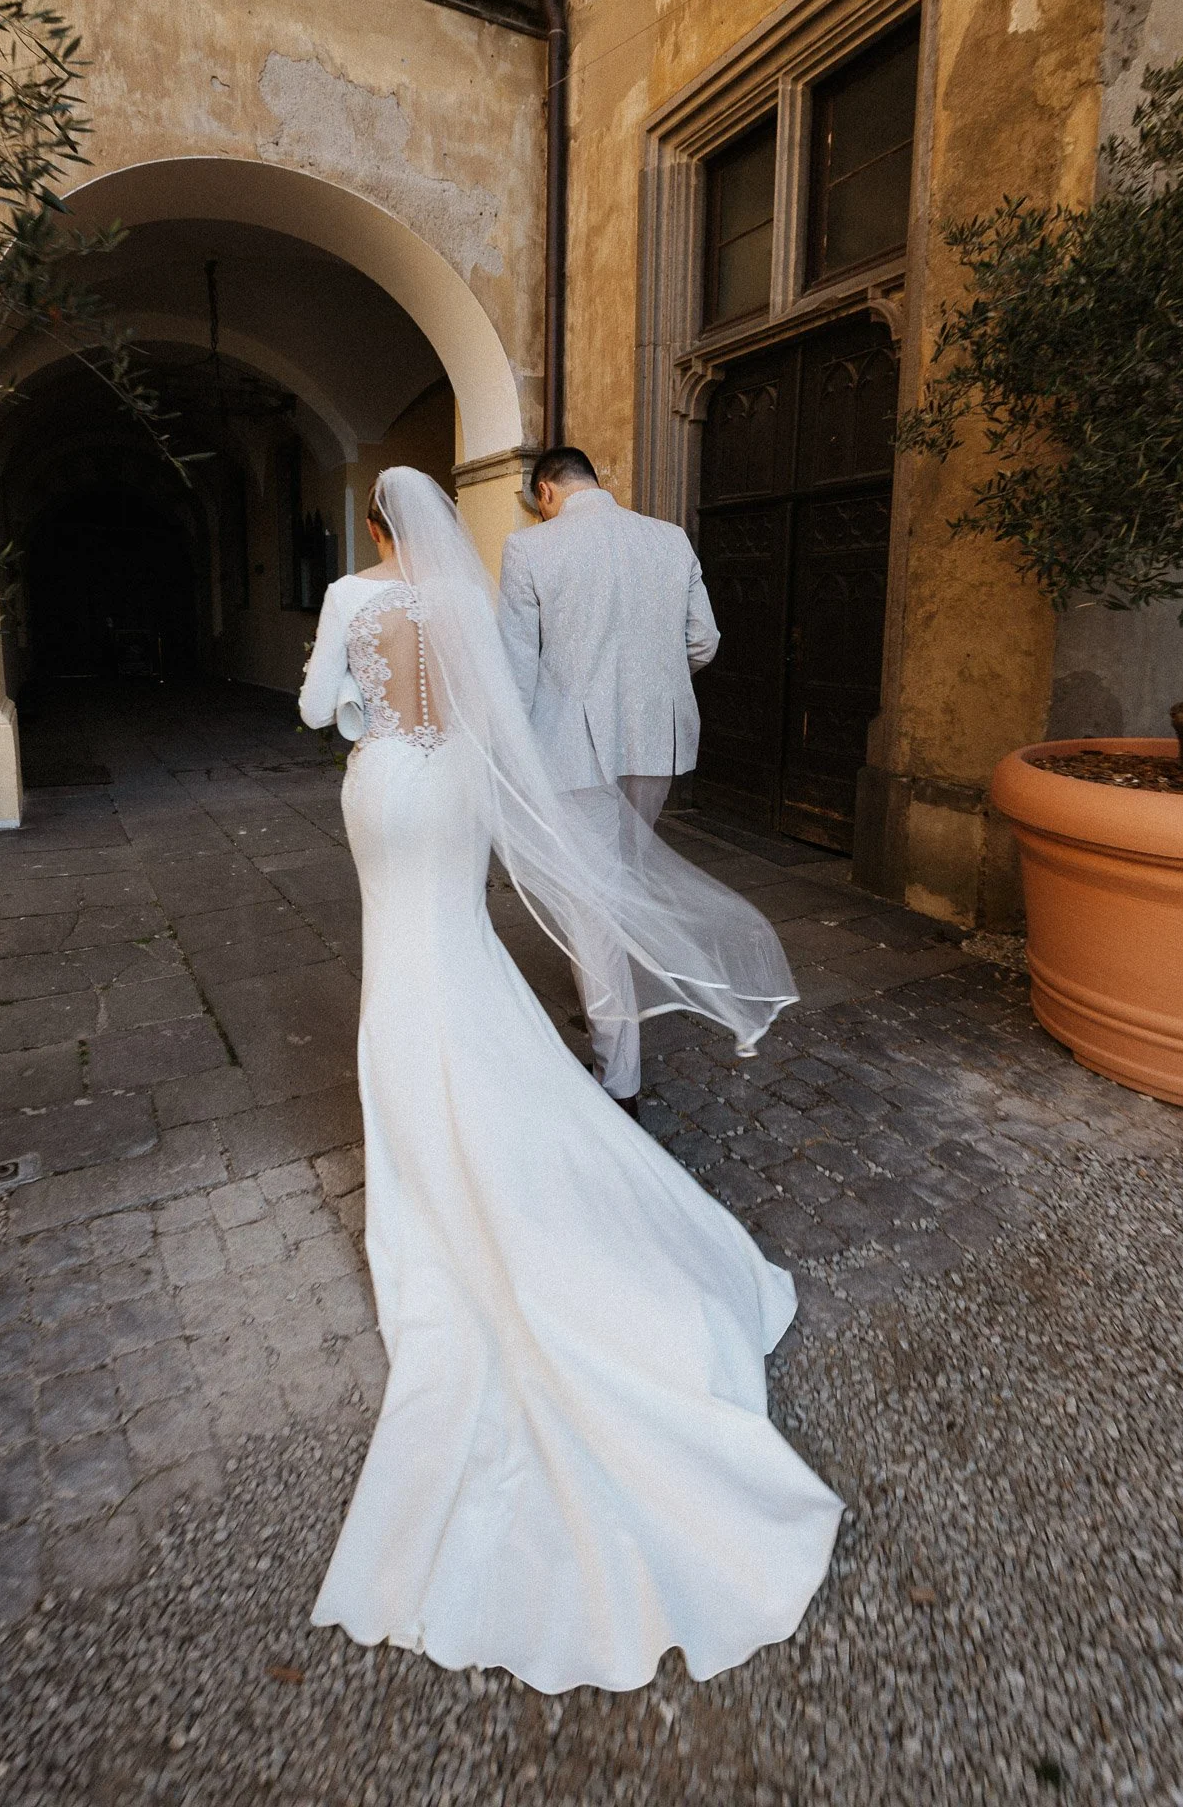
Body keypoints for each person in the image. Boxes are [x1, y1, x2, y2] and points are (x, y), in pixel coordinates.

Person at [298, 466, 841, 1696]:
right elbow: (498, 708)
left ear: (377, 526)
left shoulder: (349, 595)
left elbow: (327, 711)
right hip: (470, 796)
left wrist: (367, 699)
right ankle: (587, 1080)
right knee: (474, 942)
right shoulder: (480, 597)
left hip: (388, 789)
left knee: (409, 964)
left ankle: (457, 1127)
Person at [498, 447, 720, 1119]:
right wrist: (649, 686)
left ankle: (618, 1076)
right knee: (614, 879)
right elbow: (703, 640)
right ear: (593, 482)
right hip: (655, 739)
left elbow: (515, 666)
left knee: (592, 902)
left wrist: (508, 757)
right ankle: (611, 1000)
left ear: (545, 491)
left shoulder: (529, 547)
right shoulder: (669, 538)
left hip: (571, 746)